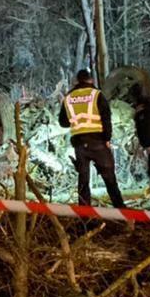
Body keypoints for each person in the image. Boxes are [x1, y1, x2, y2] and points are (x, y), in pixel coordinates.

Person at [58, 69, 124, 208]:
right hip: (98, 141)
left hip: (80, 145)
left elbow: (63, 122)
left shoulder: (69, 98)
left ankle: (84, 218)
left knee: (83, 182)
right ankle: (122, 212)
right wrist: (107, 138)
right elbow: (106, 117)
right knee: (110, 179)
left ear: (77, 81)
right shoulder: (96, 94)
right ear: (90, 80)